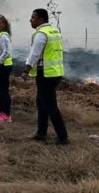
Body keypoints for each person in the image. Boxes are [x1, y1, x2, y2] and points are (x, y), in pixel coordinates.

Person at [24, 9, 69, 145]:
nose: (30, 20)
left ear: (41, 19)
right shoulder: (54, 31)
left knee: (50, 106)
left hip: (46, 74)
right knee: (41, 103)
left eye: (33, 17)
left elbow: (34, 54)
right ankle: (41, 133)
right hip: (55, 73)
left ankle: (62, 137)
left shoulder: (41, 34)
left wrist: (26, 69)